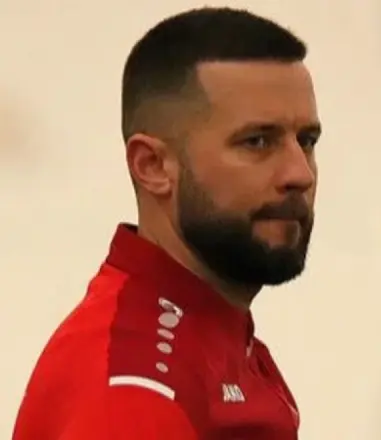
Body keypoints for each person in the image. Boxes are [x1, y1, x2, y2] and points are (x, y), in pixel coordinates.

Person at [12, 6, 320, 440]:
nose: (300, 173)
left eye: (306, 141)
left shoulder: (211, 331)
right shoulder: (136, 392)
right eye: (257, 142)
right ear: (153, 166)